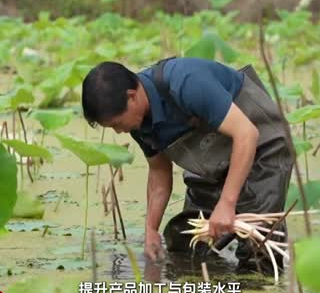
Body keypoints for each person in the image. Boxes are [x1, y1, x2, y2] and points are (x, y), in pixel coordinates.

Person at [81, 57, 293, 268]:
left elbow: (246, 134)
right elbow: (158, 172)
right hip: (212, 165)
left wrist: (227, 203)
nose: (119, 131)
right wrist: (151, 231)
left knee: (257, 252)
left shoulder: (186, 82)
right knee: (186, 248)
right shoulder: (138, 122)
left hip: (261, 150)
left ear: (132, 96)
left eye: (117, 123)